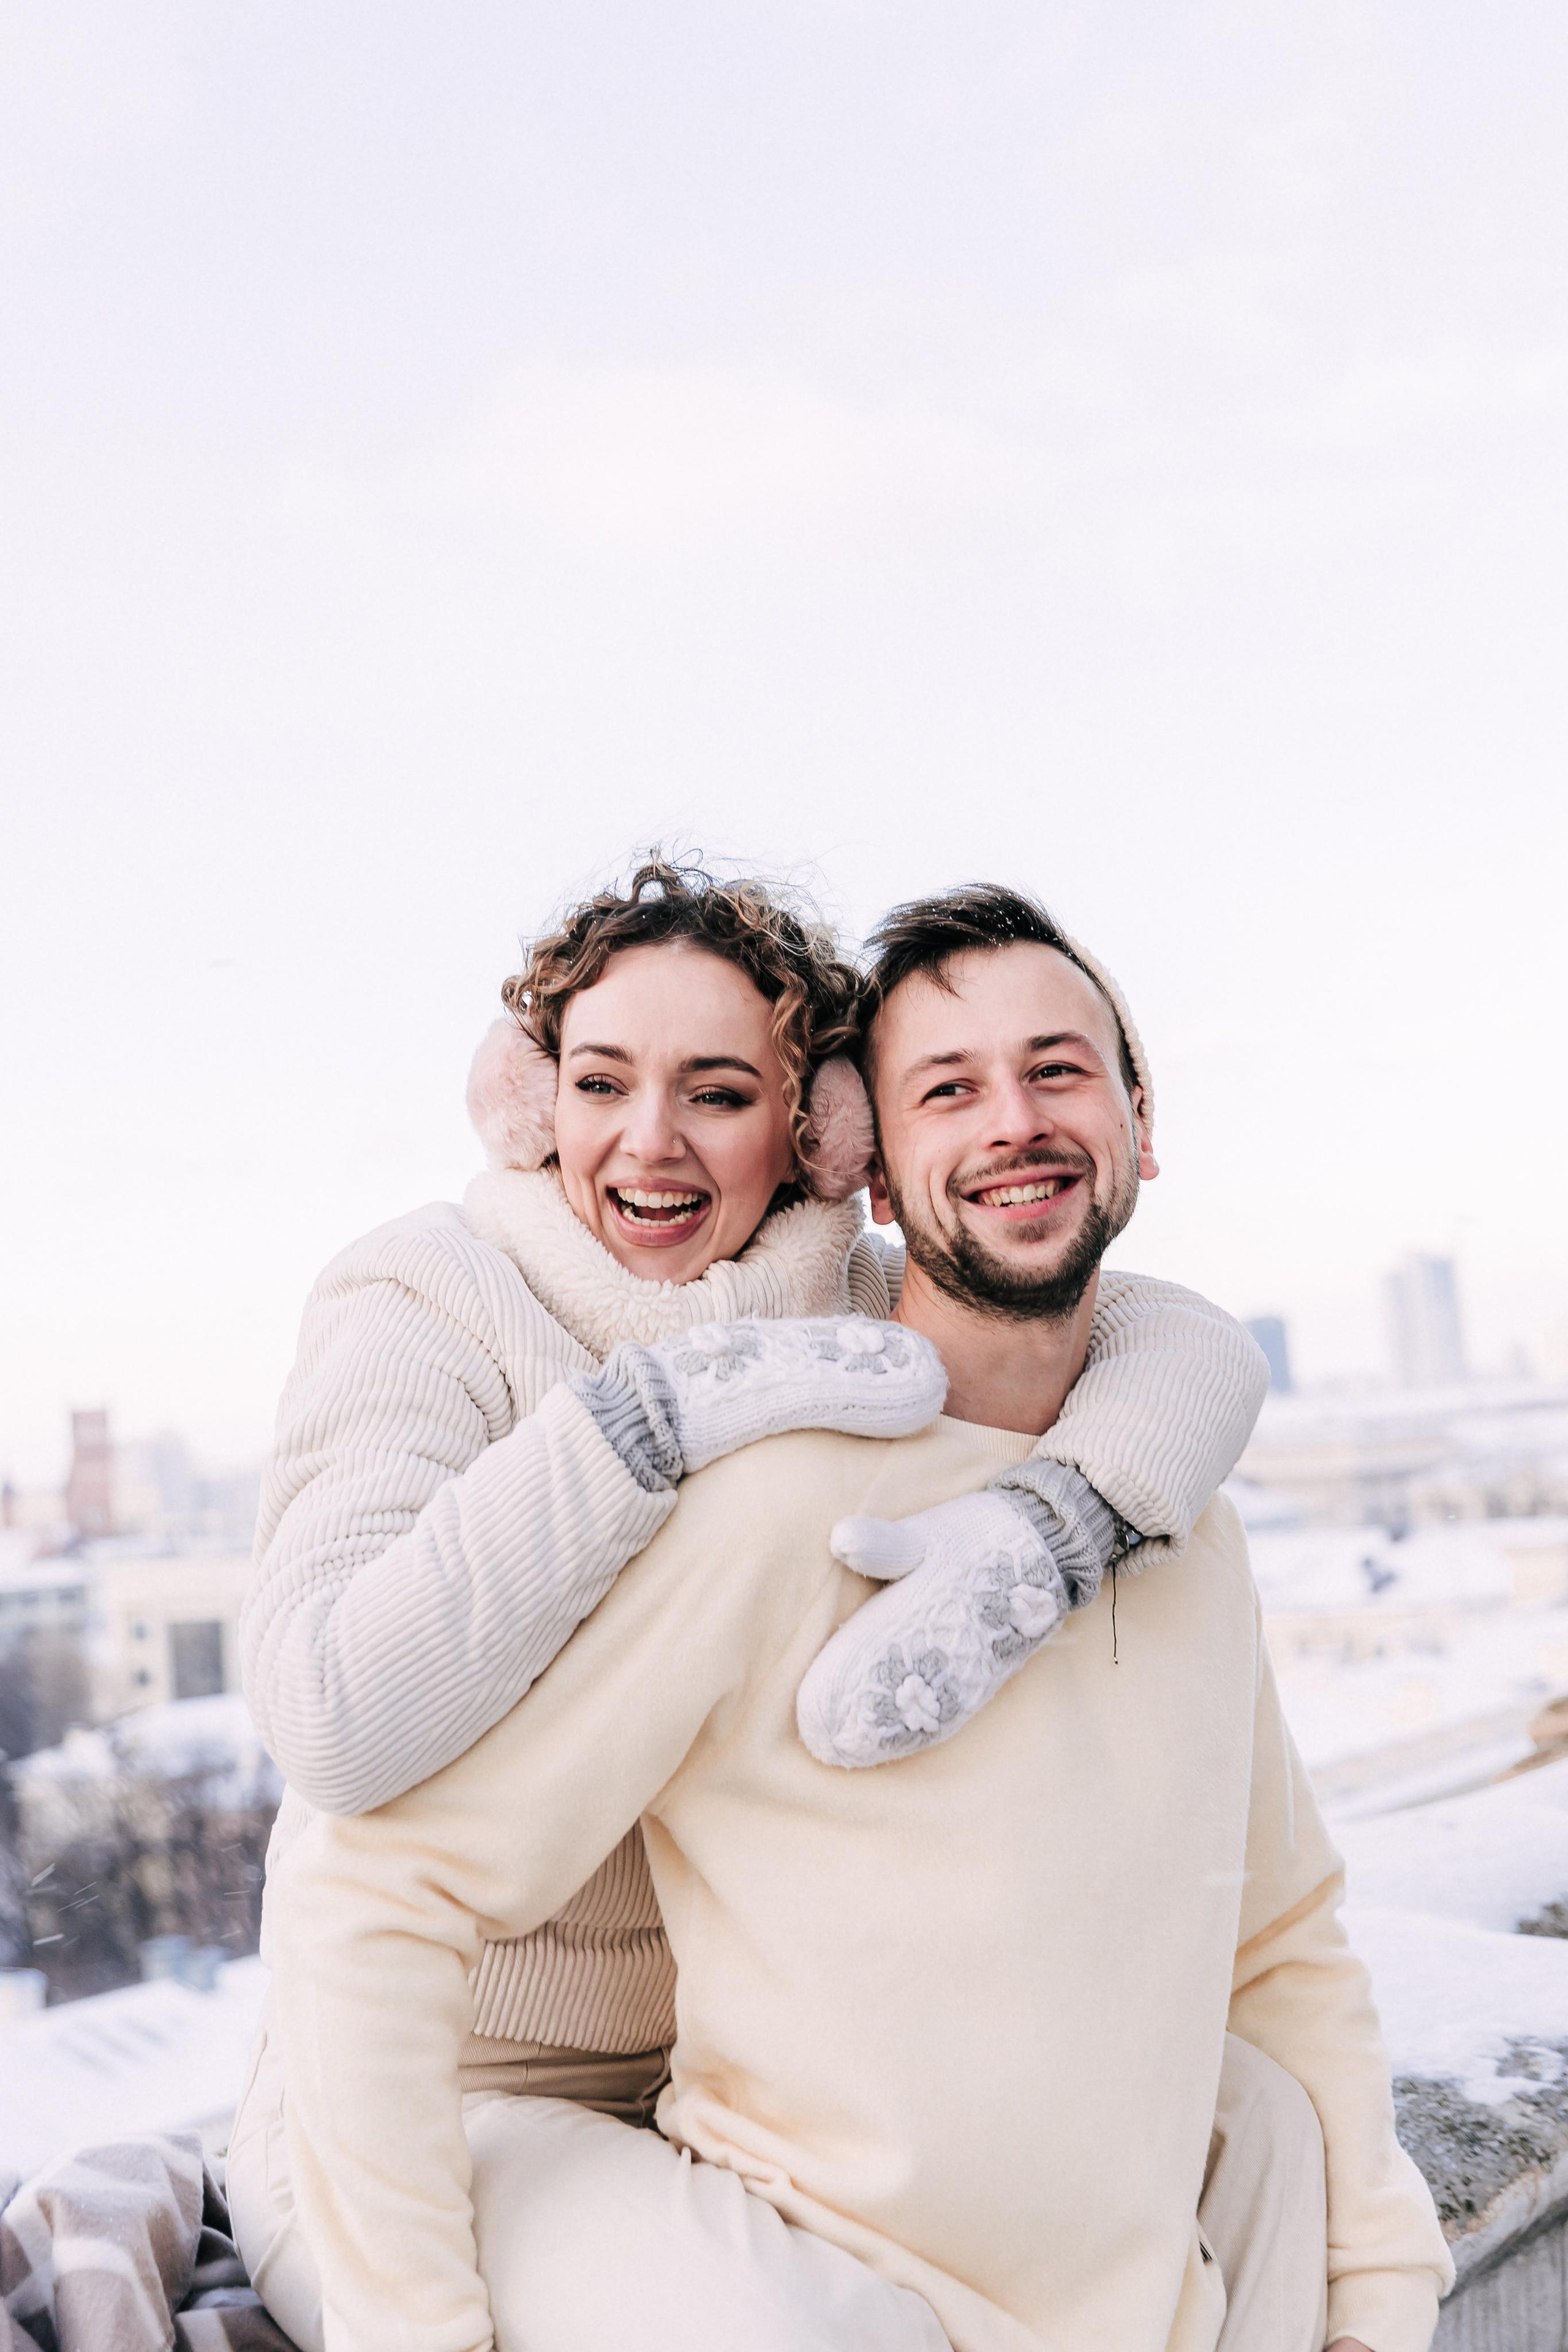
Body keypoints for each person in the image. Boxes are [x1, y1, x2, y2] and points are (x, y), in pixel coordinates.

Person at [254, 880, 1453, 2352]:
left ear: (821, 1144)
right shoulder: (450, 1307)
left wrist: (1074, 1513)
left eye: (717, 1092)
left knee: (1255, 2116)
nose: (651, 1139)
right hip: (442, 2080)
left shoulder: (847, 1331)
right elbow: (336, 1754)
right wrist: (636, 1425)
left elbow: (1122, 1322)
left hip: (708, 2073)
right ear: (531, 1103)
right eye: (601, 1082)